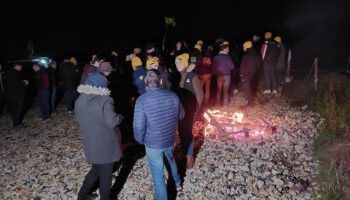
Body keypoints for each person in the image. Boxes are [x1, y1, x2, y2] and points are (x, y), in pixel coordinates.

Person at [75, 61, 123, 200]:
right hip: (105, 145)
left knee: (95, 170)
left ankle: (82, 195)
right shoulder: (105, 100)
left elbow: (79, 119)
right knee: (106, 177)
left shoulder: (80, 100)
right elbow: (112, 121)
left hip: (91, 142)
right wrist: (121, 117)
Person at [133, 69, 183, 199]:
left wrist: (140, 140)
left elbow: (138, 126)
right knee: (171, 159)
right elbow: (181, 115)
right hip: (170, 139)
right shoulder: (173, 96)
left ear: (145, 83)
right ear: (161, 81)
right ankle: (177, 183)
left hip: (153, 143)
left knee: (158, 176)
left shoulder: (141, 101)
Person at [174, 53, 203, 169]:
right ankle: (185, 152)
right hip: (178, 109)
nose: (177, 64)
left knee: (187, 132)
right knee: (181, 131)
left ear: (185, 63)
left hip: (189, 110)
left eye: (180, 62)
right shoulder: (176, 75)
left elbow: (200, 95)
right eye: (176, 62)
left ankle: (189, 157)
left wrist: (196, 109)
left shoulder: (192, 76)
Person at [213, 41, 235, 106]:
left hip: (219, 75)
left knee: (219, 90)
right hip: (226, 76)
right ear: (224, 49)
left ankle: (218, 104)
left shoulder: (216, 57)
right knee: (225, 91)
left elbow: (214, 67)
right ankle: (225, 105)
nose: (228, 50)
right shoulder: (228, 57)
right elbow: (232, 67)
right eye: (227, 48)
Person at [240, 41, 261, 106]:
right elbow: (258, 64)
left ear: (247, 47)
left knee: (246, 87)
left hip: (246, 73)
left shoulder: (246, 55)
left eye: (244, 47)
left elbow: (243, 65)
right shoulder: (256, 54)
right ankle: (249, 100)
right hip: (254, 73)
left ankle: (250, 101)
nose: (243, 48)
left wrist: (241, 74)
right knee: (250, 86)